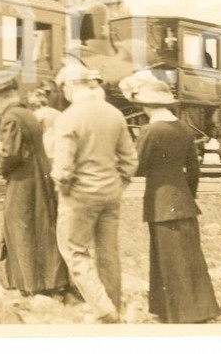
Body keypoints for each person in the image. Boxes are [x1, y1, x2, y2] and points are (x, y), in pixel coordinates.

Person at [119, 71, 220, 324]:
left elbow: (136, 166)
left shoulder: (150, 131)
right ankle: (199, 309)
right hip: (183, 202)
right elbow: (194, 170)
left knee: (167, 259)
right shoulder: (184, 129)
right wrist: (187, 196)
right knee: (189, 258)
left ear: (145, 104)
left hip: (160, 203)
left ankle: (176, 313)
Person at [50, 65, 138, 323]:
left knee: (74, 250)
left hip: (79, 195)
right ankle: (115, 306)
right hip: (110, 193)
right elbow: (130, 159)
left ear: (69, 86)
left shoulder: (68, 117)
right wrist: (119, 184)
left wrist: (64, 188)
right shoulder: (115, 114)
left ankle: (104, 310)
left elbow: (63, 167)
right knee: (108, 252)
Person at [0, 73, 70, 296]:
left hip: (23, 180)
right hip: (39, 175)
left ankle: (30, 283)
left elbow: (11, 153)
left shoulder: (11, 117)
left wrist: (2, 166)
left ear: (0, 98)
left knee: (21, 227)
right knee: (42, 226)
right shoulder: (28, 113)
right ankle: (52, 280)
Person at [26, 84, 61, 160]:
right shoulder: (57, 113)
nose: (28, 99)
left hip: (45, 146)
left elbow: (32, 132)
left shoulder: (37, 114)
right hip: (57, 147)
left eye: (32, 96)